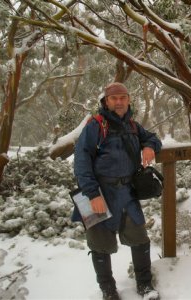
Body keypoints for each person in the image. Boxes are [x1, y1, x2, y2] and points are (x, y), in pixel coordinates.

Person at [73, 82, 162, 300]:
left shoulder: (132, 125)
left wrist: (150, 146)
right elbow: (81, 161)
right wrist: (93, 195)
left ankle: (144, 285)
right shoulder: (95, 125)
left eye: (123, 97)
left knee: (140, 239)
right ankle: (108, 291)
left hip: (127, 193)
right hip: (97, 192)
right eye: (114, 98)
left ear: (129, 99)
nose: (119, 102)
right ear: (106, 101)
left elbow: (152, 137)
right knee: (99, 245)